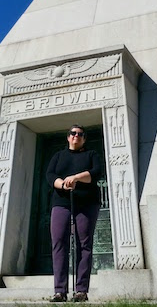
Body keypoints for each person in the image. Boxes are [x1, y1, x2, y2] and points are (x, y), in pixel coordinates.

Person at [46, 124, 103, 302]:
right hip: (61, 202)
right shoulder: (58, 156)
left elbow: (97, 173)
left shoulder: (91, 155)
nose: (76, 136)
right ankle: (59, 291)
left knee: (84, 244)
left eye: (80, 134)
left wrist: (76, 178)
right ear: (68, 137)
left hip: (87, 203)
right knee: (59, 243)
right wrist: (62, 184)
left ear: (84, 138)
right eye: (73, 133)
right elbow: (50, 175)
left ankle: (81, 290)